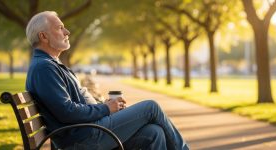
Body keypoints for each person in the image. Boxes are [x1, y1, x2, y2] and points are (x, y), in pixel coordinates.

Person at [25, 11, 189, 150]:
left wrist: (104, 106)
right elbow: (67, 111)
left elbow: (70, 107)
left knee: (154, 132)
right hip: (84, 137)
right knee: (151, 107)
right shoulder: (44, 68)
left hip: (90, 129)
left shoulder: (50, 64)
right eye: (60, 28)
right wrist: (105, 108)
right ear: (43, 36)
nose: (67, 32)